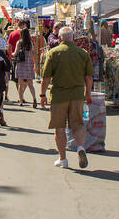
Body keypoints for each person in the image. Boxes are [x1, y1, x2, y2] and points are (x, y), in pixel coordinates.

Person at [40, 26, 93, 169]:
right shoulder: (83, 53)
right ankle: (81, 148)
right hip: (77, 95)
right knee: (78, 124)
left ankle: (63, 159)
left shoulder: (53, 53)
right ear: (73, 38)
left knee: (59, 127)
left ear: (59, 38)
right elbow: (88, 77)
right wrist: (88, 93)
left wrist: (42, 94)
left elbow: (46, 78)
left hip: (59, 95)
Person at [12, 28, 38, 107]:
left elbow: (15, 53)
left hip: (21, 64)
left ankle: (21, 101)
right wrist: (35, 64)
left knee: (20, 84)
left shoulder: (19, 42)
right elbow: (33, 54)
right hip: (29, 64)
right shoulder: (30, 43)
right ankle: (34, 98)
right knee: (30, 84)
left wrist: (11, 53)